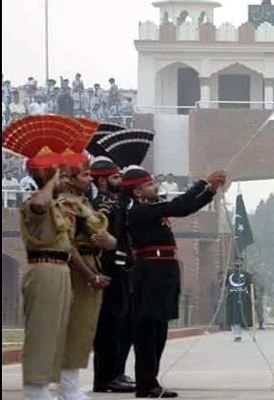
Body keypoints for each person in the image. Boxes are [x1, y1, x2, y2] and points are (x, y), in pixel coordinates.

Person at [2, 115, 108, 400]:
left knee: (59, 333)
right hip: (43, 267)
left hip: (60, 270)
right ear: (49, 178)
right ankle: (34, 390)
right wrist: (50, 182)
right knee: (42, 332)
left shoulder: (62, 206)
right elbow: (39, 203)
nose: (64, 180)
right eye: (59, 175)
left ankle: (56, 386)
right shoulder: (34, 202)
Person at [122, 165, 226, 398]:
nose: (154, 187)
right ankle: (145, 384)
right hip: (151, 270)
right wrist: (202, 183)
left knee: (158, 329)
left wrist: (210, 190)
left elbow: (186, 207)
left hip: (163, 268)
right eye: (148, 185)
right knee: (148, 330)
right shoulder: (138, 211)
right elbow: (180, 207)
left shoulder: (151, 208)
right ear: (137, 192)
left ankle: (151, 382)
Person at [58, 151, 117, 400]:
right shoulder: (66, 205)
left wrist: (109, 241)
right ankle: (67, 387)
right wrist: (90, 275)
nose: (90, 179)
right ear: (70, 179)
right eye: (84, 175)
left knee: (85, 328)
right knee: (74, 328)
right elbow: (67, 245)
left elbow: (110, 240)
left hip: (93, 260)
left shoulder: (84, 203)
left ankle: (70, 385)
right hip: (78, 267)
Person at [89, 156, 135, 393]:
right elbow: (99, 238)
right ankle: (105, 378)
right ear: (104, 181)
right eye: (116, 177)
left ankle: (116, 372)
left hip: (120, 266)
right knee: (109, 325)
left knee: (121, 325)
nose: (121, 180)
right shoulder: (102, 205)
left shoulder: (116, 202)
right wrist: (114, 245)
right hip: (107, 266)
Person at [225, 265, 253, 342]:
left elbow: (251, 287)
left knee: (240, 316)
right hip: (232, 298)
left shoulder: (247, 275)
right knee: (233, 316)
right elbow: (224, 285)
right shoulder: (229, 275)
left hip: (243, 298)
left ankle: (238, 334)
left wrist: (254, 298)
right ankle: (235, 334)